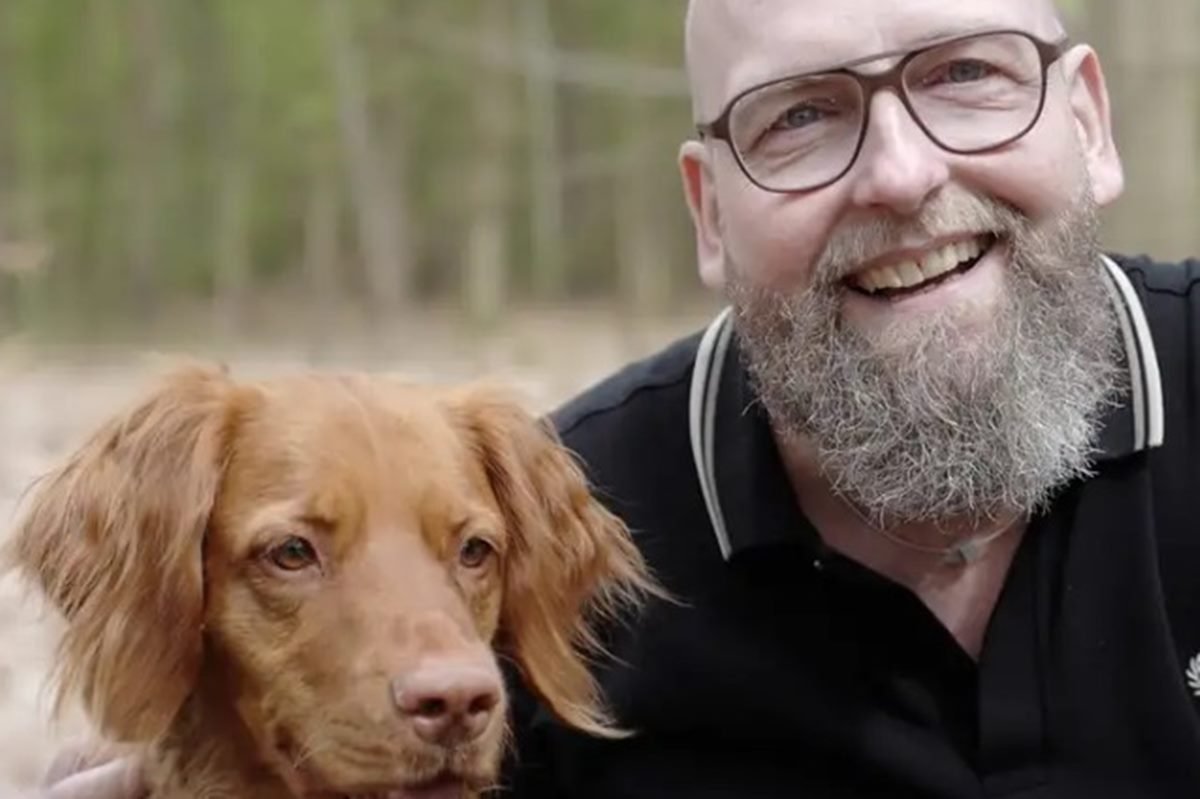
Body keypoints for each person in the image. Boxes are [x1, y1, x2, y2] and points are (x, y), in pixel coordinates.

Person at [32, 0, 1200, 797]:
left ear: (1090, 122)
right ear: (706, 210)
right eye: (799, 116)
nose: (902, 172)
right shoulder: (572, 525)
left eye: (966, 74)